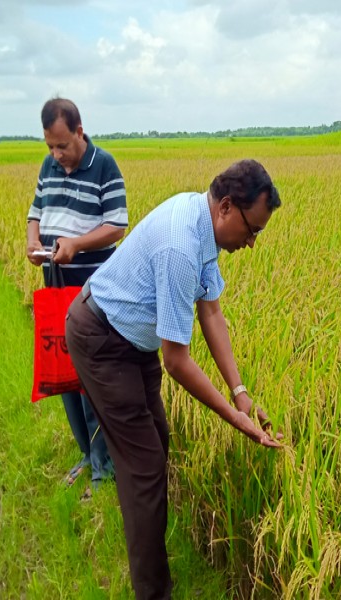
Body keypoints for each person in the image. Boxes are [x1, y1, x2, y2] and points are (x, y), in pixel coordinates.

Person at [64, 159, 283, 599]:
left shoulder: (203, 226)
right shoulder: (181, 246)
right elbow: (177, 362)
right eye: (252, 229)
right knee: (143, 465)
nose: (252, 242)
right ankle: (154, 592)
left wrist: (241, 395)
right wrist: (232, 418)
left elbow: (212, 311)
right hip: (103, 339)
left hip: (133, 337)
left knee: (155, 442)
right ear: (226, 207)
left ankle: (147, 543)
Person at [26, 97, 127, 494]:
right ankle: (86, 454)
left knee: (92, 380)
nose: (57, 154)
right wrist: (34, 242)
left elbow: (116, 225)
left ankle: (105, 469)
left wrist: (76, 246)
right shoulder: (48, 166)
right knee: (64, 376)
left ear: (79, 132)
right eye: (50, 146)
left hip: (93, 292)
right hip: (55, 286)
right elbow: (35, 213)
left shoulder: (104, 164)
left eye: (63, 145)